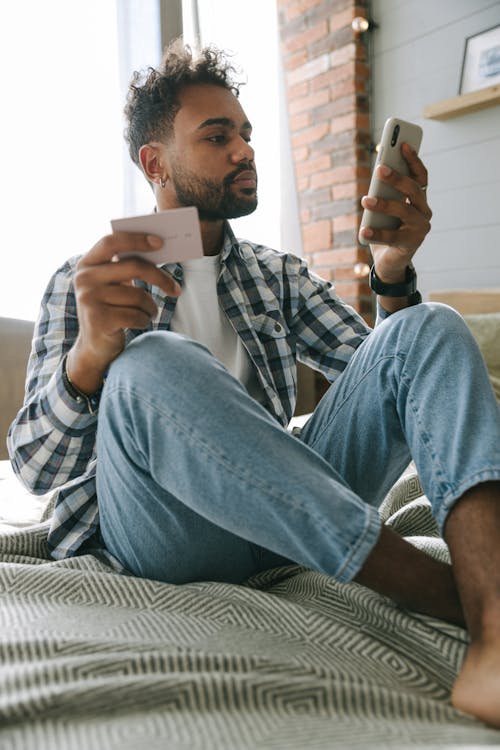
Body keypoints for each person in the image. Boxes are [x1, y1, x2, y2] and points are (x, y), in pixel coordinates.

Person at [7, 41, 500, 727]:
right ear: (155, 164)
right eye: (217, 137)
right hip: (172, 536)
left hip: (287, 521)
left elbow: (399, 374)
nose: (244, 150)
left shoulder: (277, 274)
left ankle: (495, 625)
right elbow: (34, 472)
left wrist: (391, 274)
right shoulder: (92, 279)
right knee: (152, 363)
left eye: (246, 133)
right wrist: (89, 361)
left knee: (431, 325)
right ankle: (452, 595)